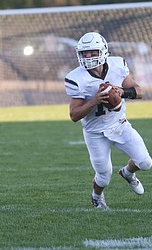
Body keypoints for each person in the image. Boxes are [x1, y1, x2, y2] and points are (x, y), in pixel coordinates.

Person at [64, 32, 152, 210]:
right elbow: (74, 115)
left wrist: (122, 92)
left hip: (120, 125)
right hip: (95, 133)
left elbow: (139, 91)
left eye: (92, 52)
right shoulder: (76, 78)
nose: (87, 56)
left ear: (103, 51)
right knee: (104, 175)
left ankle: (127, 173)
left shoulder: (117, 65)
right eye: (84, 53)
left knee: (145, 162)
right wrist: (94, 100)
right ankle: (97, 196)